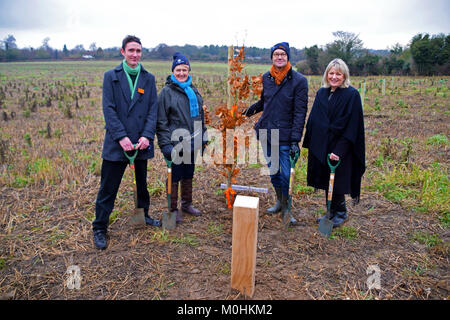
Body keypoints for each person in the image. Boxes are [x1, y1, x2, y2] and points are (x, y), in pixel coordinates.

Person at [92, 35, 161, 250]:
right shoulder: (111, 77)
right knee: (108, 188)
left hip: (140, 142)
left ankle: (143, 216)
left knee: (142, 185)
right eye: (131, 50)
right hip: (117, 142)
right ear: (123, 52)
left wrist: (147, 136)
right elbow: (109, 110)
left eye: (138, 51)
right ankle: (100, 227)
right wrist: (121, 137)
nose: (135, 55)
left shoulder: (148, 78)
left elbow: (152, 109)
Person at [243, 42, 308, 226]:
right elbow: (265, 102)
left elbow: (300, 112)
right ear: (272, 57)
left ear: (288, 57)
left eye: (283, 54)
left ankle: (287, 208)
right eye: (276, 54)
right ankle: (279, 201)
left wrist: (296, 140)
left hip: (286, 134)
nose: (279, 57)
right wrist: (245, 112)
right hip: (267, 132)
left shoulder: (299, 81)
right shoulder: (267, 78)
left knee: (287, 174)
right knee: (273, 171)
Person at [302, 58, 366, 228]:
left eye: (338, 73)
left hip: (341, 146)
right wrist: (312, 143)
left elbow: (352, 126)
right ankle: (330, 210)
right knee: (326, 179)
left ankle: (341, 212)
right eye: (331, 73)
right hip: (323, 144)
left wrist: (339, 150)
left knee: (337, 180)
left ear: (344, 76)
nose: (334, 77)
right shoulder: (322, 93)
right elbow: (314, 118)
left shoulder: (352, 95)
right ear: (326, 75)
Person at [156, 52, 208, 224]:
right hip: (175, 142)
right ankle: (172, 209)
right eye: (178, 70)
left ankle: (186, 204)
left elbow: (200, 115)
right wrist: (165, 145)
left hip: (192, 142)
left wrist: (204, 137)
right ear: (173, 71)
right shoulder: (166, 92)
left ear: (188, 71)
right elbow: (161, 121)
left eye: (184, 70)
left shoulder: (193, 90)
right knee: (174, 175)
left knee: (188, 172)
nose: (181, 73)